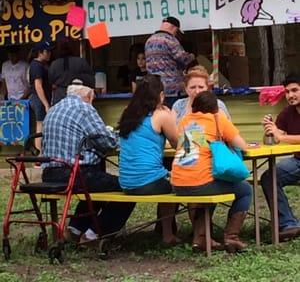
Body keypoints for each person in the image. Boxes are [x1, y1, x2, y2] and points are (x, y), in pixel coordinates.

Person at [42, 79, 135, 244]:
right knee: (129, 187)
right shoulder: (84, 108)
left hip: (49, 174)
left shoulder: (54, 108)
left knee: (98, 181)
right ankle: (95, 235)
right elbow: (107, 141)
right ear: (89, 96)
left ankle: (75, 229)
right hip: (73, 174)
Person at [171, 91, 252, 253]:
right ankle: (232, 237)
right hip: (200, 182)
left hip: (177, 183)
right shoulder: (217, 119)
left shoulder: (185, 120)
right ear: (216, 108)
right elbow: (242, 146)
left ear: (194, 108)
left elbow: (192, 146)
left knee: (209, 184)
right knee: (245, 190)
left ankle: (200, 237)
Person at [118, 74, 179, 246]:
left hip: (126, 182)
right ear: (160, 95)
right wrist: (172, 118)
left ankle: (165, 231)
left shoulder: (127, 113)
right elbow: (178, 144)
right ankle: (168, 233)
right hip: (149, 182)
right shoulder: (161, 115)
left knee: (165, 176)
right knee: (179, 181)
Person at [261, 73, 300, 241]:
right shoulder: (287, 112)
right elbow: (274, 140)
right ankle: (288, 224)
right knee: (269, 177)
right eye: (287, 92)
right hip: (297, 161)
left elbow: (282, 137)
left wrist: (281, 136)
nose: (290, 95)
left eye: (295, 90)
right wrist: (269, 131)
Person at [145, 16, 195, 108]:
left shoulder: (149, 41)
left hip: (155, 89)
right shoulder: (170, 40)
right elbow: (183, 59)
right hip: (172, 89)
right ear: (174, 28)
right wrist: (192, 55)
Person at [49, 39, 95, 105]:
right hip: (79, 97)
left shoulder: (54, 64)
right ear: (74, 48)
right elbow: (91, 81)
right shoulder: (81, 62)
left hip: (59, 98)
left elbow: (50, 82)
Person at [28, 41, 54, 152]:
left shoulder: (41, 65)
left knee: (43, 125)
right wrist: (46, 104)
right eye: (47, 52)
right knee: (40, 125)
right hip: (39, 99)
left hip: (41, 98)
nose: (49, 54)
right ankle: (39, 155)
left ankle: (41, 152)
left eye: (50, 51)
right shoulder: (36, 65)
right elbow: (38, 86)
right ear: (40, 52)